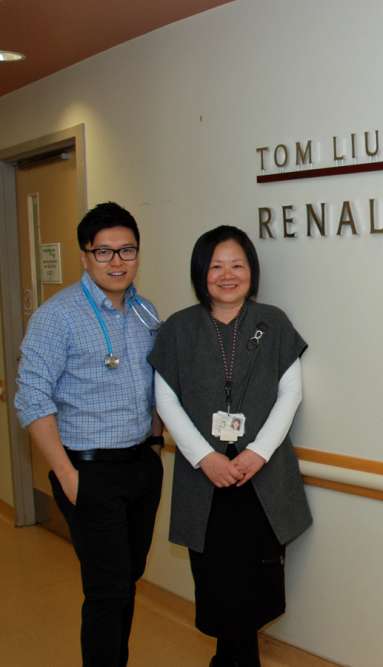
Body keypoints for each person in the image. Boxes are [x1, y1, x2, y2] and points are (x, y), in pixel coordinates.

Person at [148, 225, 311, 667]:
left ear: (251, 271)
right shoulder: (178, 328)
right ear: (201, 272)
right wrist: (206, 458)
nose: (227, 274)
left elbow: (290, 393)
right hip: (207, 484)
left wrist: (257, 453)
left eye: (237, 264)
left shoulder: (272, 322)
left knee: (257, 584)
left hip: (261, 481)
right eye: (216, 265)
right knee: (219, 585)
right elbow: (165, 398)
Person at [14, 202, 163, 667]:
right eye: (104, 252)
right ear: (84, 256)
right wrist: (65, 474)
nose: (117, 262)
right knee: (106, 590)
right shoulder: (56, 316)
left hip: (140, 465)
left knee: (127, 579)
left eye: (127, 251)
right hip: (87, 469)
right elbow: (31, 399)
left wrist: (156, 440)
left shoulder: (145, 311)